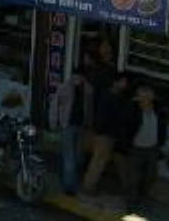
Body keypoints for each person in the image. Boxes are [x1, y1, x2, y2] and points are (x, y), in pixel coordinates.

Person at [82, 72, 134, 195]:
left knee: (103, 160)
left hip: (108, 134)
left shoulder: (114, 96)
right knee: (99, 161)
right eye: (123, 81)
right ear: (116, 82)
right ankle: (89, 185)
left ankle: (91, 184)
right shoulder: (110, 97)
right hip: (105, 134)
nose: (125, 84)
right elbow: (107, 117)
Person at [123, 85, 167, 213]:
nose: (146, 99)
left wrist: (160, 144)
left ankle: (141, 196)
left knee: (151, 174)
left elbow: (162, 127)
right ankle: (131, 204)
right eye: (143, 96)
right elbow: (126, 126)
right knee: (133, 177)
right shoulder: (133, 109)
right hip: (136, 148)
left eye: (148, 96)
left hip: (152, 148)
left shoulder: (157, 110)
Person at [53, 65, 94, 195]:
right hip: (67, 126)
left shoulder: (88, 90)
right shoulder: (64, 88)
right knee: (69, 158)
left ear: (83, 78)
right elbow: (55, 106)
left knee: (77, 157)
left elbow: (90, 108)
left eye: (79, 77)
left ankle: (70, 181)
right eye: (75, 76)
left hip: (81, 127)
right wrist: (54, 123)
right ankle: (69, 187)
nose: (77, 79)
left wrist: (89, 123)